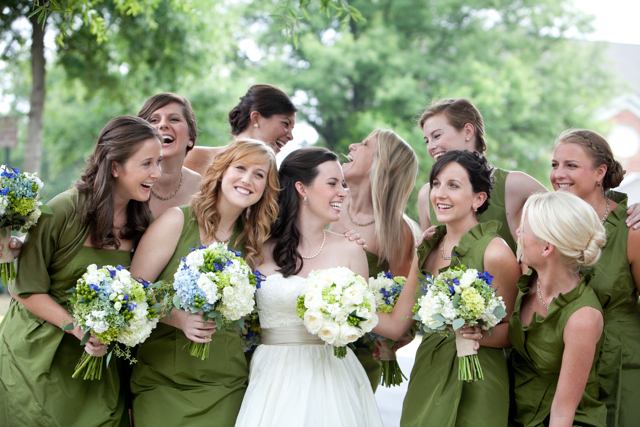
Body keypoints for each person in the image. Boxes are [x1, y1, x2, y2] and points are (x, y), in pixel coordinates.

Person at [0, 116, 162, 426]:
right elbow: (24, 288)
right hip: (36, 361)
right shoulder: (62, 210)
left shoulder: (144, 223)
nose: (156, 173)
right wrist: (79, 328)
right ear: (115, 167)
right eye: (147, 164)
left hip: (98, 366)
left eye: (158, 162)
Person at [129, 139, 279, 427]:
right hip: (162, 382)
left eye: (259, 175)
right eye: (241, 168)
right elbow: (133, 293)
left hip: (225, 385)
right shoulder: (176, 221)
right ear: (222, 171)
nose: (248, 179)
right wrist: (178, 318)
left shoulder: (254, 244)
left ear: (266, 188)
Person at [234, 147, 383, 427]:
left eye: (344, 184)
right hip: (273, 379)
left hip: (333, 378)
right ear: (302, 188)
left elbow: (361, 323)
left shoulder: (352, 250)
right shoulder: (256, 250)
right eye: (333, 183)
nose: (343, 192)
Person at [374, 150, 520, 427]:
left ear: (479, 199)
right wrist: (348, 312)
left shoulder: (495, 252)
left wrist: (470, 333)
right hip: (428, 371)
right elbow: (397, 324)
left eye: (453, 185)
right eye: (437, 183)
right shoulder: (427, 249)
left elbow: (512, 332)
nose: (440, 193)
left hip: (479, 378)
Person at [550, 129, 640, 427]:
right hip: (561, 364)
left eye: (571, 165)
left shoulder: (631, 228)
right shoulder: (548, 222)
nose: (559, 174)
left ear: (600, 172)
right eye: (555, 165)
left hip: (620, 366)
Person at [329, 129, 419, 390]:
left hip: (358, 354)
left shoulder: (396, 231)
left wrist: (392, 341)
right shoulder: (328, 202)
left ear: (381, 163)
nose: (352, 145)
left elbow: (401, 303)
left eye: (365, 144)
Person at [510, 191, 607, 427]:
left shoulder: (582, 318)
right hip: (518, 413)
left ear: (546, 249)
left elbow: (563, 413)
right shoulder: (527, 276)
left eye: (524, 228)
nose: (517, 233)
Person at [416, 98, 546, 251]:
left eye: (437, 136)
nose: (431, 147)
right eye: (426, 141)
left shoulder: (515, 184)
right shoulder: (427, 195)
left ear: (468, 131)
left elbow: (565, 227)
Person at [183, 84, 297, 175]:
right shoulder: (195, 158)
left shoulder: (274, 180)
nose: (290, 137)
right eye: (285, 124)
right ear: (256, 118)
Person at [138, 93, 202, 217]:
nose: (163, 125)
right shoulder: (128, 181)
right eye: (154, 120)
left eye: (174, 119)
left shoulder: (200, 188)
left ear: (191, 137)